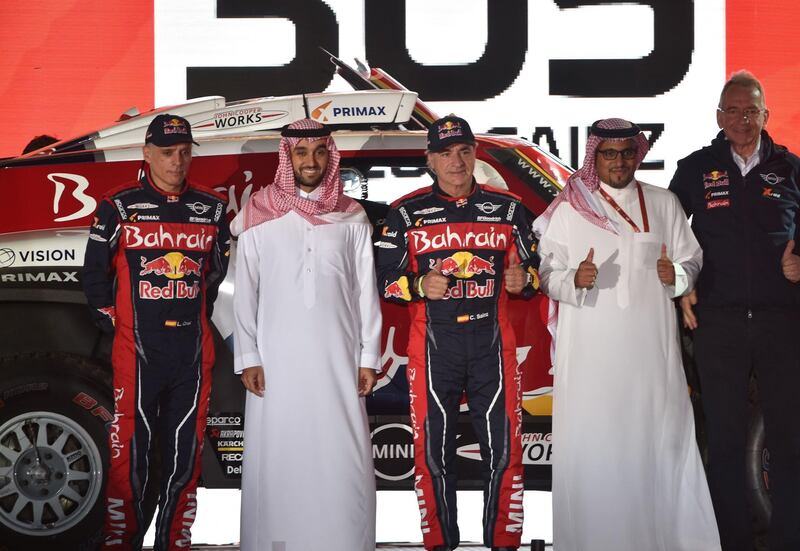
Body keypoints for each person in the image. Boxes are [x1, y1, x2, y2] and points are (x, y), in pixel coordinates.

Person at [534, 118, 720, 550]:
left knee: (659, 448)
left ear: (638, 153)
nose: (618, 161)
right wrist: (573, 280)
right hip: (591, 365)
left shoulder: (663, 203)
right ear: (594, 156)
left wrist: (674, 274)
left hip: (651, 362)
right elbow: (546, 273)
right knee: (598, 454)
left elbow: (691, 262)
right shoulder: (568, 208)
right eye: (608, 153)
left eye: (626, 152)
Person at [375, 115, 540, 551]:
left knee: (504, 453)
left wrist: (526, 280)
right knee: (433, 456)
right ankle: (440, 544)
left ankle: (504, 543)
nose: (456, 162)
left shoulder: (508, 209)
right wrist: (417, 286)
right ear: (430, 160)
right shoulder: (405, 213)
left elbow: (540, 269)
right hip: (433, 348)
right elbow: (383, 282)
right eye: (445, 154)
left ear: (475, 155)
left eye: (464, 151)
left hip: (492, 346)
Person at [231, 119, 382, 551]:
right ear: (287, 156)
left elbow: (365, 290)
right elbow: (245, 293)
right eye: (301, 152)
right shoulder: (258, 215)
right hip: (276, 363)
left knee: (342, 456)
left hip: (338, 360)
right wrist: (249, 356)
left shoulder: (351, 216)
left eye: (319, 151)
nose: (311, 161)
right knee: (278, 455)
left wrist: (368, 357)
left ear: (329, 155)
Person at [83, 114, 230, 550]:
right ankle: (120, 540)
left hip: (192, 350)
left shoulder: (213, 208)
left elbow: (214, 276)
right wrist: (122, 324)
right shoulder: (118, 206)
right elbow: (93, 279)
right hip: (138, 350)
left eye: (184, 153)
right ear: (147, 154)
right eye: (167, 153)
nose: (177, 162)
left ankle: (174, 540)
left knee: (186, 453)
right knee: (129, 453)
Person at [669, 71, 800, 551]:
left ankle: (789, 540)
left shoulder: (791, 169)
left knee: (789, 440)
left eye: (752, 111)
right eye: (734, 110)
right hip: (717, 324)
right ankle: (731, 542)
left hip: (782, 324)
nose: (743, 120)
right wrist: (681, 285)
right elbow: (664, 234)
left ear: (765, 116)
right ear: (719, 116)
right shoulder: (693, 169)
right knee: (723, 443)